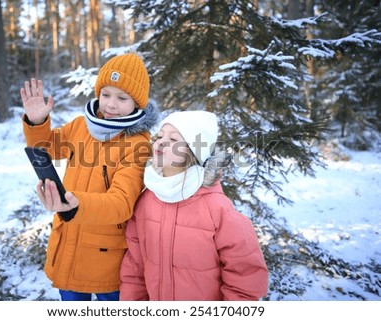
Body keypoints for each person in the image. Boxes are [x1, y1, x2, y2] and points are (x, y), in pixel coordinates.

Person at [20, 52, 159, 301]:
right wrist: (37, 121)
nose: (110, 104)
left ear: (137, 103)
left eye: (122, 97)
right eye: (105, 94)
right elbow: (47, 147)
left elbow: (122, 203)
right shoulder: (81, 126)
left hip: (107, 256)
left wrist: (76, 204)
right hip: (69, 242)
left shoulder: (137, 144)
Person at [119, 111, 269, 300]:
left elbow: (244, 277)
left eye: (173, 139)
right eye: (159, 136)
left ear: (193, 151)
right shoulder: (146, 200)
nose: (161, 142)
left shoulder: (217, 208)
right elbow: (135, 266)